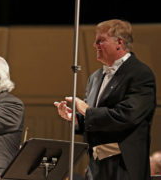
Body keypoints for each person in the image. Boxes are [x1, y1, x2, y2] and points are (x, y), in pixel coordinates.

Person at [54, 19, 156, 180]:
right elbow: (93, 119)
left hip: (123, 167)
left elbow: (126, 116)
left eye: (100, 40)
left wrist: (85, 110)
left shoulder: (140, 74)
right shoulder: (95, 77)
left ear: (119, 43)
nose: (95, 45)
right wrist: (75, 119)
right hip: (96, 166)